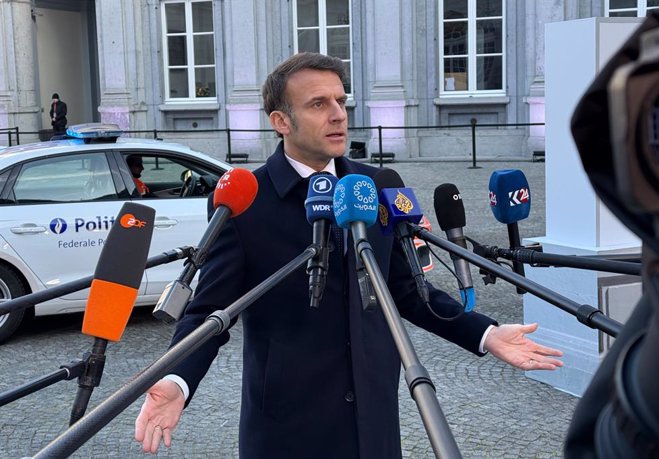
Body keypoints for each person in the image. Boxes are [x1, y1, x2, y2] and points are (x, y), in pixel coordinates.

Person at [134, 52, 564, 458]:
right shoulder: (248, 201)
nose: (338, 114)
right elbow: (210, 309)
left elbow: (408, 291)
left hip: (373, 420)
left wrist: (485, 333)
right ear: (281, 121)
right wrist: (178, 378)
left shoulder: (377, 183)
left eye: (340, 100)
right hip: (286, 428)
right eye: (319, 104)